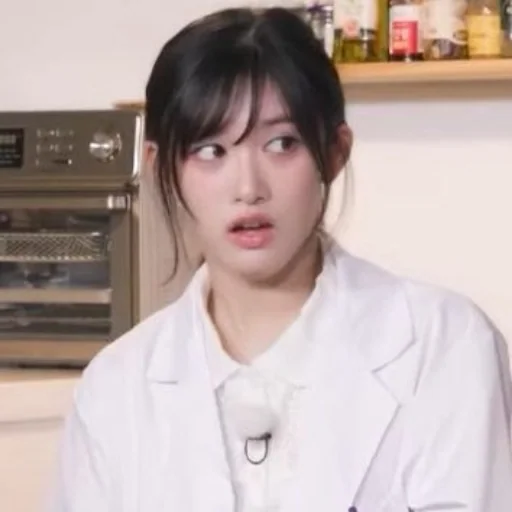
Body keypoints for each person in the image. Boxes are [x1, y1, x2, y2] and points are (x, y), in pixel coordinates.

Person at [50, 7, 512, 512]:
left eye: (281, 143)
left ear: (334, 153)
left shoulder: (444, 347)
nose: (248, 187)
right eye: (210, 151)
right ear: (162, 168)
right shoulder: (115, 389)